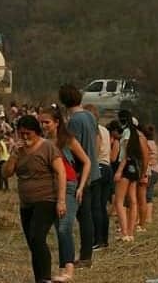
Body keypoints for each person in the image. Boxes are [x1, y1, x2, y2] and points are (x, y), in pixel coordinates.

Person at [3, 115, 66, 283]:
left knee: (37, 237)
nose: (24, 137)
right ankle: (39, 278)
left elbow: (61, 173)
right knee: (32, 243)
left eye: (28, 134)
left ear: (36, 132)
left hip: (46, 199)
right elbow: (6, 173)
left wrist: (61, 200)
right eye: (21, 133)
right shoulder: (19, 151)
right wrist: (14, 155)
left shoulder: (48, 148)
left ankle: (45, 277)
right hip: (26, 203)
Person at [39, 106, 91, 282]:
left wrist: (81, 186)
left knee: (64, 227)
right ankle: (63, 268)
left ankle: (68, 270)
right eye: (41, 122)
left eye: (47, 122)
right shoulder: (42, 142)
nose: (44, 126)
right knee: (58, 228)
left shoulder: (67, 140)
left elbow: (86, 162)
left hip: (69, 186)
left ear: (56, 122)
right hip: (50, 188)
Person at [58, 84, 99, 268]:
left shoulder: (74, 121)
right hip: (93, 169)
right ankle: (86, 254)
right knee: (87, 215)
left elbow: (72, 148)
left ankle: (83, 256)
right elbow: (96, 140)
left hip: (81, 172)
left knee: (81, 217)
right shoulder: (90, 116)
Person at [113, 110, 148, 242]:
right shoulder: (139, 134)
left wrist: (119, 171)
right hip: (135, 168)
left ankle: (124, 232)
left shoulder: (127, 133)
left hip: (126, 167)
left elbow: (126, 154)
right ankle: (131, 232)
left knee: (119, 201)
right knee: (133, 200)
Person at [84, 104, 112, 250]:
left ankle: (98, 240)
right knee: (102, 207)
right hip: (107, 167)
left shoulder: (94, 130)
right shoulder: (105, 129)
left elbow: (95, 149)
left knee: (95, 206)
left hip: (98, 167)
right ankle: (104, 239)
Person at [143, 124, 158, 225]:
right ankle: (147, 217)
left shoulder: (146, 143)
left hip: (150, 170)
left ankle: (147, 217)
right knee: (148, 194)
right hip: (157, 170)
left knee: (146, 195)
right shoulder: (153, 142)